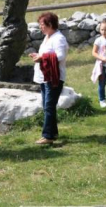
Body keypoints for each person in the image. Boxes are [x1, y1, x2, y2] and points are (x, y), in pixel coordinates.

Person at [29, 12, 69, 145]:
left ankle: (47, 136)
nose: (40, 27)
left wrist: (42, 57)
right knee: (48, 106)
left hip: (53, 77)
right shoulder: (48, 37)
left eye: (42, 24)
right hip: (45, 77)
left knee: (49, 106)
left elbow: (60, 56)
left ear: (50, 24)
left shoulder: (58, 39)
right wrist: (38, 55)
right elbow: (47, 54)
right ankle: (53, 133)